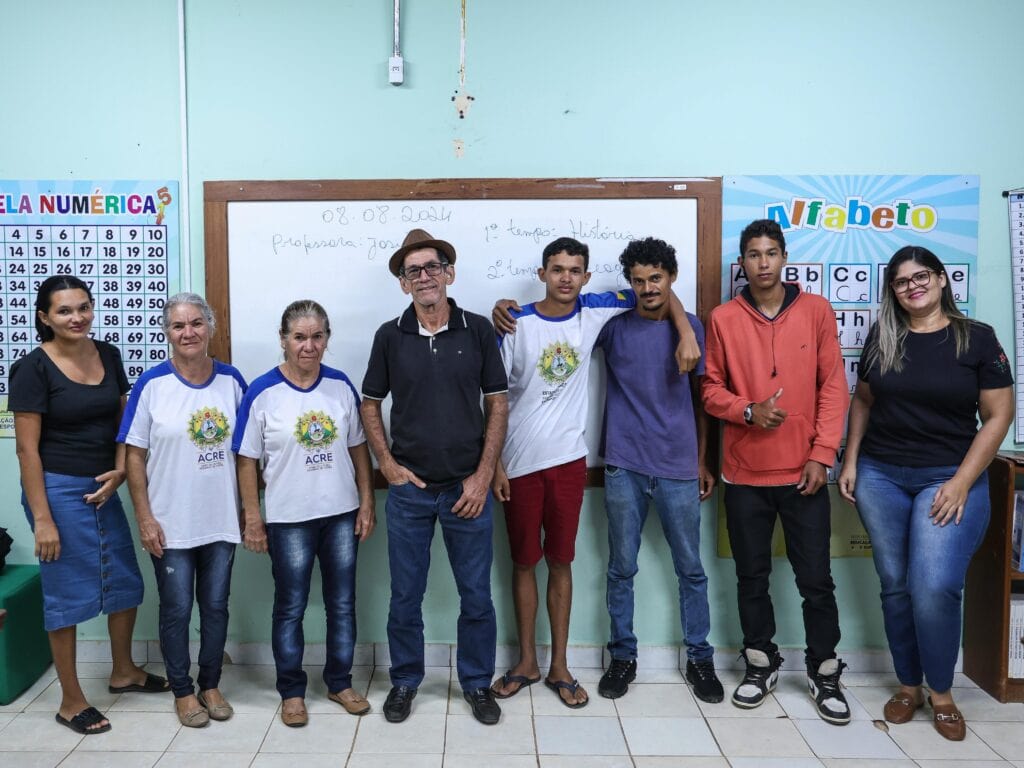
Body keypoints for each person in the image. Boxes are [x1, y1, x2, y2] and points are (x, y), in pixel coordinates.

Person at [488, 237, 700, 709]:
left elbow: (661, 292)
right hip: (518, 465)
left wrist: (685, 330)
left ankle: (560, 665)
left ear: (586, 277)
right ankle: (526, 661)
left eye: (575, 270)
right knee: (524, 563)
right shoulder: (514, 323)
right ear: (542, 273)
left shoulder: (597, 310)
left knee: (561, 561)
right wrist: (495, 463)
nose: (566, 277)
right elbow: (493, 398)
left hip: (567, 463)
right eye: (557, 269)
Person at [839, 246, 1013, 741]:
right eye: (900, 281)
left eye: (921, 277)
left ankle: (942, 692)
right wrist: (850, 460)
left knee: (934, 586)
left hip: (948, 476)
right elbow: (864, 400)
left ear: (940, 280)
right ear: (892, 291)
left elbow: (999, 416)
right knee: (895, 583)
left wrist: (960, 482)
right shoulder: (884, 337)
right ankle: (909, 685)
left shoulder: (975, 338)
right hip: (881, 475)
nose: (911, 286)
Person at [702, 219, 850, 724]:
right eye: (752, 254)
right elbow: (710, 389)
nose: (762, 263)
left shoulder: (816, 311)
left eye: (770, 253)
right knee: (751, 577)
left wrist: (822, 452)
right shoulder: (722, 318)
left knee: (816, 580)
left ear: (784, 257)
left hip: (804, 472)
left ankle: (824, 671)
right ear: (741, 262)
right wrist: (747, 411)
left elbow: (834, 385)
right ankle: (760, 664)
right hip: (744, 474)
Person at [360, 228, 509, 726]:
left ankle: (475, 683)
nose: (424, 276)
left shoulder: (477, 331)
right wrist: (387, 464)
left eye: (432, 267)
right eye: (413, 271)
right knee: (405, 594)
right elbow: (370, 404)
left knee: (476, 595)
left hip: (468, 489)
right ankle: (405, 682)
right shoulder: (389, 335)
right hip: (411, 492)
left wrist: (483, 474)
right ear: (404, 284)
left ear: (448, 274)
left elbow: (498, 402)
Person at [11, 275, 168, 736]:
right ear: (45, 317)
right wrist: (43, 519)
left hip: (104, 486)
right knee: (66, 592)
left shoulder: (109, 355)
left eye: (83, 307)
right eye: (64, 311)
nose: (77, 317)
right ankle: (70, 700)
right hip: (56, 491)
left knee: (124, 580)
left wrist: (120, 470)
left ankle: (123, 672)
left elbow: (124, 418)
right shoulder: (32, 369)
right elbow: (26, 452)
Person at [234, 300, 376, 727]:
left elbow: (357, 448)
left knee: (343, 605)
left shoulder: (340, 386)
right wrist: (253, 518)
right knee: (290, 607)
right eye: (299, 337)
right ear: (283, 340)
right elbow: (245, 460)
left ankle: (339, 682)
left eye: (317, 337)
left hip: (340, 515)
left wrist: (366, 500)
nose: (308, 346)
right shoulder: (262, 392)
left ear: (327, 340)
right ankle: (292, 692)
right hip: (287, 519)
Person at [594, 237, 723, 703]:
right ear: (629, 283)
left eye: (656, 279)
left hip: (677, 466)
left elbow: (702, 402)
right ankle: (623, 656)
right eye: (638, 280)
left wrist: (703, 458)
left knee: (690, 569)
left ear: (671, 278)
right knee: (620, 568)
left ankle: (700, 659)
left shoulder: (691, 328)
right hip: (623, 464)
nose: (647, 287)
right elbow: (562, 310)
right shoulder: (612, 327)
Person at [118, 293, 247, 727]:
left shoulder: (232, 381)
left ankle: (210, 683)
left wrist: (250, 511)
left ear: (210, 327)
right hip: (170, 523)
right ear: (167, 333)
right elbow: (133, 455)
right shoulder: (151, 385)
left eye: (196, 323)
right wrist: (145, 517)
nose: (188, 332)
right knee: (175, 609)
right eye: (178, 326)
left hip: (221, 521)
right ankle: (182, 690)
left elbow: (248, 452)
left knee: (215, 606)